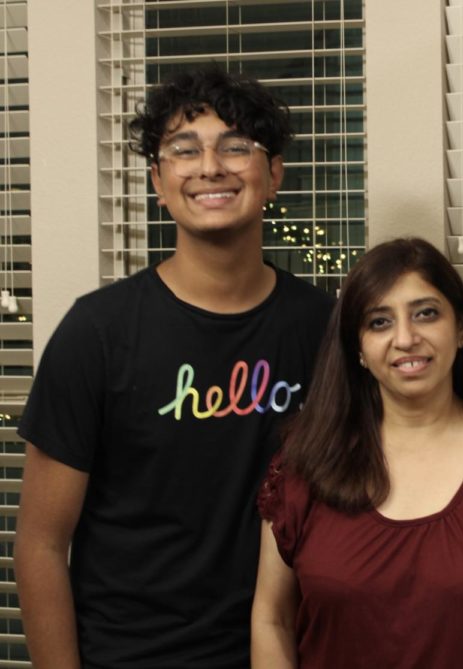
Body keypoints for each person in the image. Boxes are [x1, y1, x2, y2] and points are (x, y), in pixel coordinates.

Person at [14, 66, 333, 668]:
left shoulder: (324, 329)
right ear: (159, 183)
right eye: (184, 150)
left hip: (284, 653)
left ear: (273, 177)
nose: (210, 166)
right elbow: (41, 543)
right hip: (131, 657)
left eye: (236, 146)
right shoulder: (97, 333)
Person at [251, 237, 463, 668]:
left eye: (426, 314)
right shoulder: (305, 465)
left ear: (462, 328)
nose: (406, 338)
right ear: (357, 348)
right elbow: (272, 618)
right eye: (379, 322)